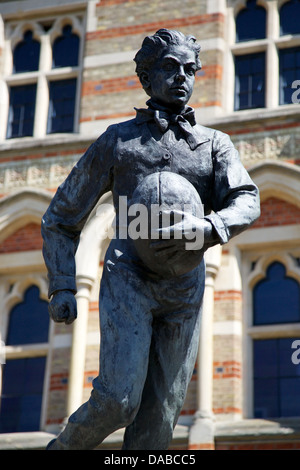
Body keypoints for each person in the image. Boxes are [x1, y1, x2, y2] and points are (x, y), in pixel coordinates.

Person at [42, 29, 260, 450]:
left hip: (184, 285)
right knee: (118, 401)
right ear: (145, 77)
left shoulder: (214, 144)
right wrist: (63, 285)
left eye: (189, 70)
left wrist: (212, 227)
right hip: (130, 277)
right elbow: (61, 218)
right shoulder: (117, 141)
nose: (182, 77)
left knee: (159, 420)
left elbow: (247, 199)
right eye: (169, 67)